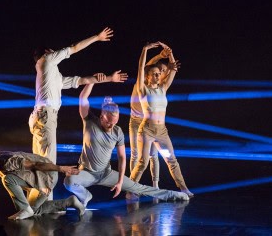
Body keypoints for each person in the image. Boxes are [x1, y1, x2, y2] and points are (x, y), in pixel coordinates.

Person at [29, 27, 128, 199]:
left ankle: (35, 202)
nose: (55, 52)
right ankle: (44, 204)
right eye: (53, 51)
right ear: (47, 52)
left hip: (39, 116)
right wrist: (97, 37)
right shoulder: (47, 60)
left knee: (40, 162)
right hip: (46, 116)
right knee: (48, 162)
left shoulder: (53, 76)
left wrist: (109, 78)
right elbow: (73, 48)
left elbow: (81, 81)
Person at [63, 76, 190, 207]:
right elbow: (83, 98)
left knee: (138, 188)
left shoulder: (117, 132)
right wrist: (93, 80)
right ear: (101, 117)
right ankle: (85, 196)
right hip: (87, 173)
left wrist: (119, 181)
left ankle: (175, 195)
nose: (111, 126)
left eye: (114, 123)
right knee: (69, 181)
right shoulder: (89, 121)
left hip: (106, 174)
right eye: (108, 123)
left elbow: (122, 157)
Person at [129, 42, 194, 197]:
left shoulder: (163, 88)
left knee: (172, 160)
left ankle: (184, 188)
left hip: (162, 131)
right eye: (155, 73)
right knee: (142, 162)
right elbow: (141, 68)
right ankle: (130, 190)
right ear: (148, 76)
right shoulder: (143, 89)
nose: (159, 75)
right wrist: (145, 49)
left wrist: (170, 52)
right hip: (147, 130)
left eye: (159, 73)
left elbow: (173, 69)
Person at [0, 151, 85, 220]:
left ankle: (26, 209)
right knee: (33, 210)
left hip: (46, 177)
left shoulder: (7, 161)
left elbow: (35, 164)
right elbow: (22, 176)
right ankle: (70, 202)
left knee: (7, 180)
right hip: (37, 182)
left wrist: (61, 168)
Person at [129, 46, 173, 188]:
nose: (160, 73)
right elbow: (145, 67)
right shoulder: (142, 85)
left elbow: (168, 74)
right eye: (158, 71)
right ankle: (132, 186)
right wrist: (159, 55)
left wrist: (169, 59)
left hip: (152, 125)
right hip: (137, 122)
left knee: (154, 155)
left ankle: (155, 186)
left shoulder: (160, 88)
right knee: (137, 156)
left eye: (162, 72)